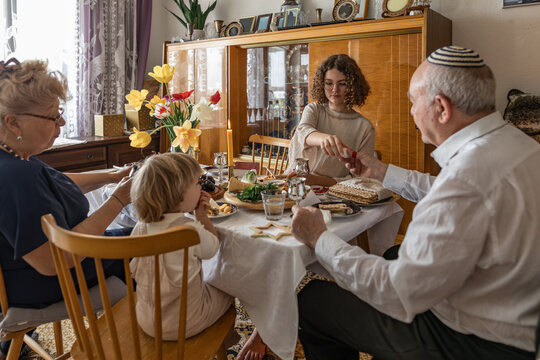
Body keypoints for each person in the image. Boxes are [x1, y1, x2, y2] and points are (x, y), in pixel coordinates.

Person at [290, 46, 540, 359]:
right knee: (394, 252)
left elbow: (395, 291)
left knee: (311, 300)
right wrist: (381, 172)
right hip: (519, 316)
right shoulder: (518, 145)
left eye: (413, 101)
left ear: (441, 108)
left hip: (471, 342)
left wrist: (320, 239)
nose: (411, 112)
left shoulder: (465, 179)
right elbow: (445, 190)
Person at [0, 58, 132, 359]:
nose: (61, 125)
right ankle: (147, 339)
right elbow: (53, 260)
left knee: (130, 233)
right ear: (13, 122)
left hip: (16, 274)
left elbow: (58, 181)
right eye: (52, 117)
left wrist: (111, 177)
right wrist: (118, 200)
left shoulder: (13, 159)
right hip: (40, 280)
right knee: (154, 245)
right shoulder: (18, 176)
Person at [129, 153, 237, 343]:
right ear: (178, 195)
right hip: (186, 324)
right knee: (229, 288)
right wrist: (202, 218)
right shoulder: (187, 229)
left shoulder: (140, 227)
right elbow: (212, 248)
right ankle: (223, 341)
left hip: (147, 320)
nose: (200, 187)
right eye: (196, 184)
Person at [285, 53, 374, 186]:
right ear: (321, 84)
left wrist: (315, 180)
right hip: (293, 187)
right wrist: (325, 139)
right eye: (329, 83)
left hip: (333, 195)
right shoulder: (314, 110)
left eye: (342, 84)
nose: (334, 90)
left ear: (352, 86)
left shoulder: (364, 127)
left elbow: (358, 179)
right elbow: (303, 132)